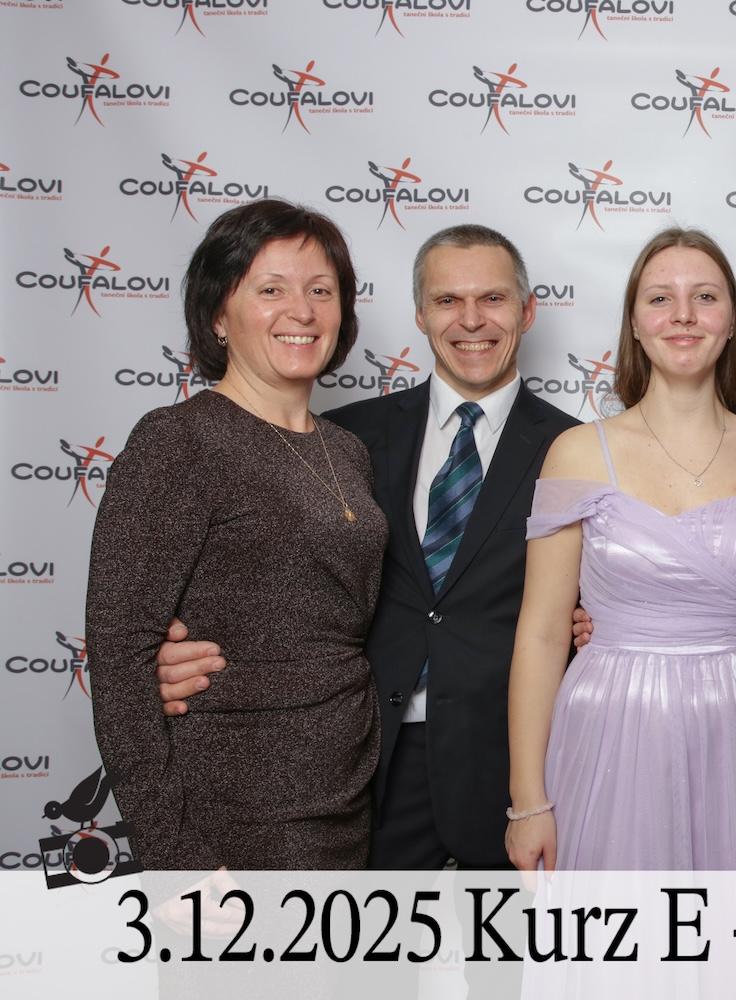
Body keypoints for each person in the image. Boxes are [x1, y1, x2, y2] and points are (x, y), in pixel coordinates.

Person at [151, 224, 578, 870]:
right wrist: (170, 656)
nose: (471, 321)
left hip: (514, 764)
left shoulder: (579, 451)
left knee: (507, 941)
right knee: (359, 941)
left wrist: (609, 622)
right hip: (360, 767)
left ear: (527, 310)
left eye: (492, 299)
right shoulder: (342, 440)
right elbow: (275, 581)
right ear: (420, 314)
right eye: (447, 301)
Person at [504, 228, 736, 871]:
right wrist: (527, 802)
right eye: (659, 298)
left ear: (731, 320)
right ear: (634, 324)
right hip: (612, 726)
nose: (683, 315)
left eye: (704, 296)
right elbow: (540, 635)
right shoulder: (577, 453)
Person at [86, 199, 383, 869]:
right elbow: (120, 655)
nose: (302, 311)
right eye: (271, 290)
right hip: (229, 810)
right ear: (219, 314)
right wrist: (173, 856)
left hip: (345, 793)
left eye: (321, 290)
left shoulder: (346, 451)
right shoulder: (178, 442)